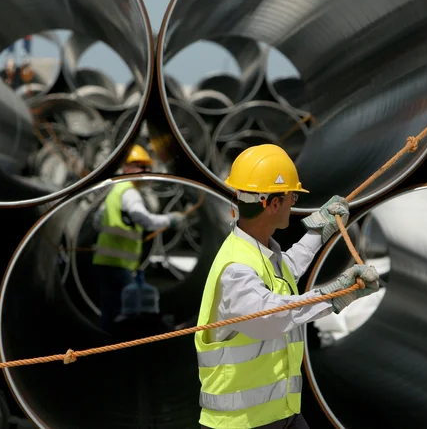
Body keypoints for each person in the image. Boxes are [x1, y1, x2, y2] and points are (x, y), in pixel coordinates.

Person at [194, 144, 380, 429]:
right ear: (273, 203)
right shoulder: (236, 269)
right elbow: (267, 318)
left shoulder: (257, 251)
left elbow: (284, 276)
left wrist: (319, 232)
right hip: (241, 423)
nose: (294, 202)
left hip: (280, 414)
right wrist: (334, 296)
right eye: (292, 196)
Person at [92, 144, 186, 331]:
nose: (147, 171)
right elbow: (144, 220)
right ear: (127, 168)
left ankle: (106, 344)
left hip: (105, 262)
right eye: (141, 167)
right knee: (131, 308)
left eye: (147, 167)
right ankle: (126, 344)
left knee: (110, 309)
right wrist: (170, 219)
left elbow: (97, 220)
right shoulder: (129, 193)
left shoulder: (116, 190)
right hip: (118, 264)